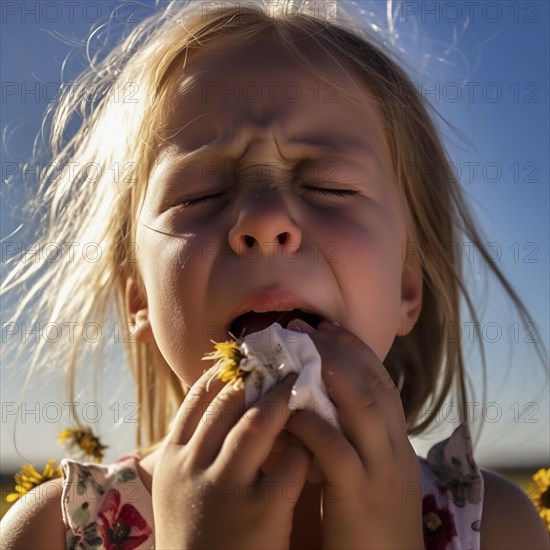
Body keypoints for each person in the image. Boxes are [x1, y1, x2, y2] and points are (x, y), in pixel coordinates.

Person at [1, 1, 547, 548]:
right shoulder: (53, 532)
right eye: (202, 194)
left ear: (407, 289)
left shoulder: (497, 527)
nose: (264, 221)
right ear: (138, 297)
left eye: (330, 186)